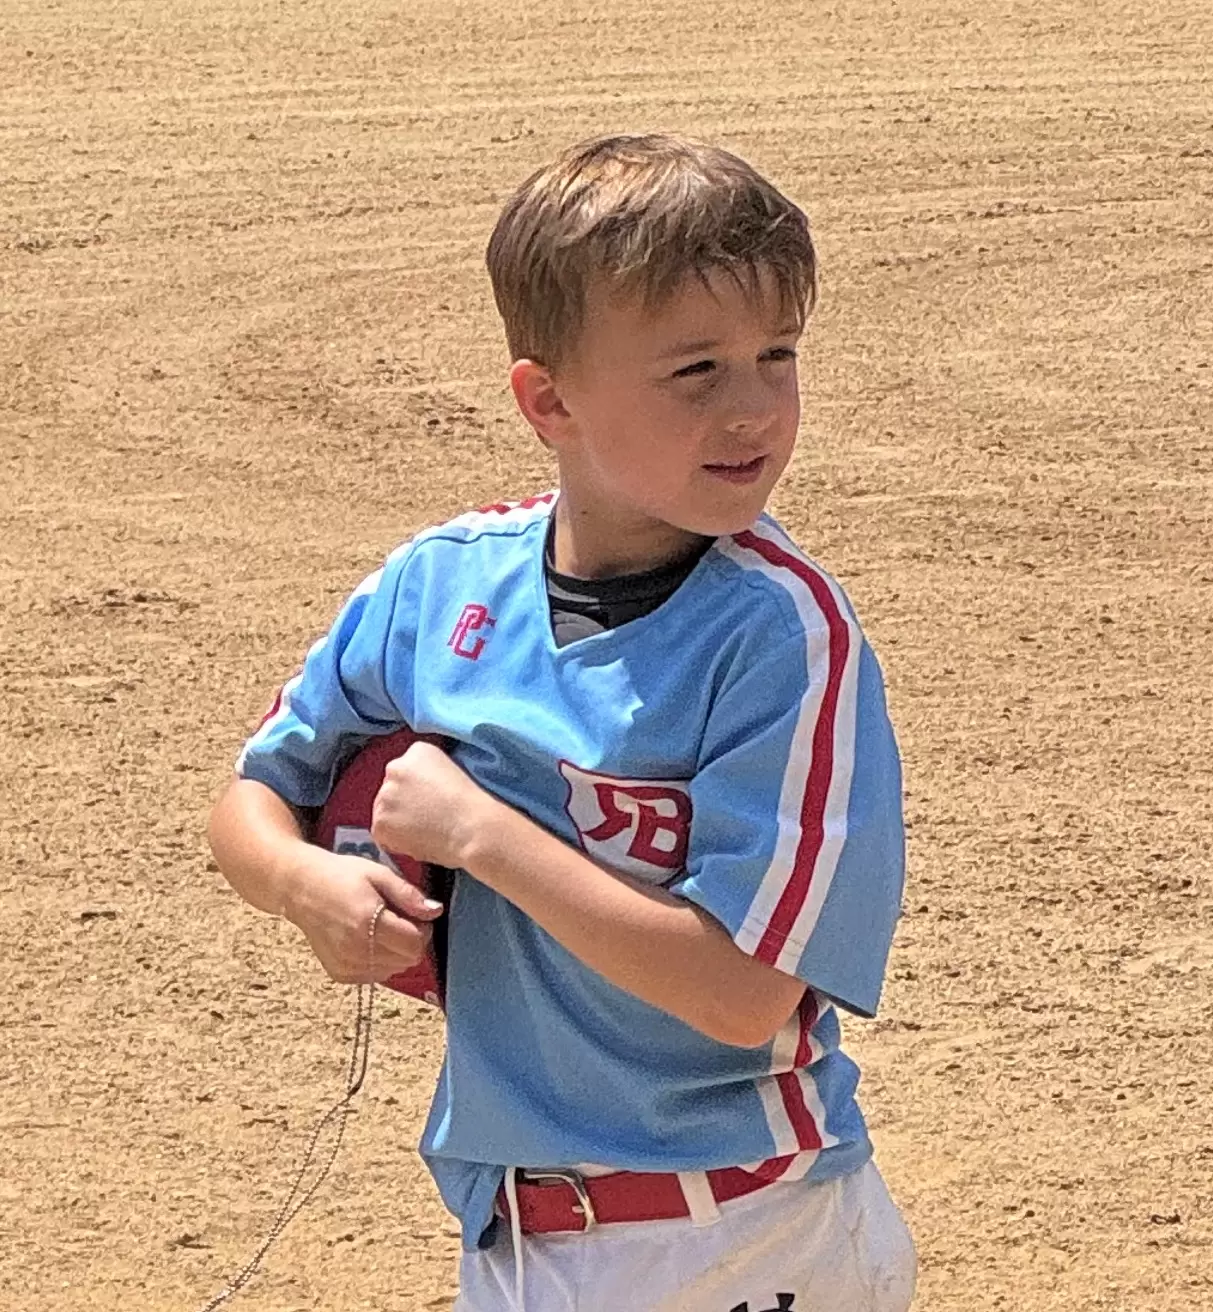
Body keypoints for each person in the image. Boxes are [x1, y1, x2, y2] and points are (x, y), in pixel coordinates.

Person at [208, 133, 917, 1311]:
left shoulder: (780, 636)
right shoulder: (441, 586)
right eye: (695, 369)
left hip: (747, 1235)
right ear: (550, 400)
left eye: (777, 354)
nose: (753, 408)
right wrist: (303, 884)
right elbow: (251, 799)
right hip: (514, 1236)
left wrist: (480, 834)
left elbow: (743, 993)